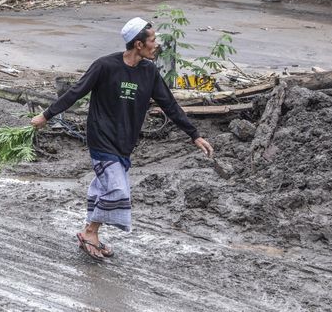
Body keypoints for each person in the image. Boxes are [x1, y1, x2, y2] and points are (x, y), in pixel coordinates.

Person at [30, 17, 213, 260]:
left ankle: (91, 232)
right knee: (117, 190)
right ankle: (89, 232)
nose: (156, 45)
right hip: (101, 139)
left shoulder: (149, 72)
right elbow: (76, 92)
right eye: (152, 40)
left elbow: (169, 104)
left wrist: (194, 135)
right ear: (138, 44)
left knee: (104, 187)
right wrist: (46, 115)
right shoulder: (105, 66)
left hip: (125, 142)